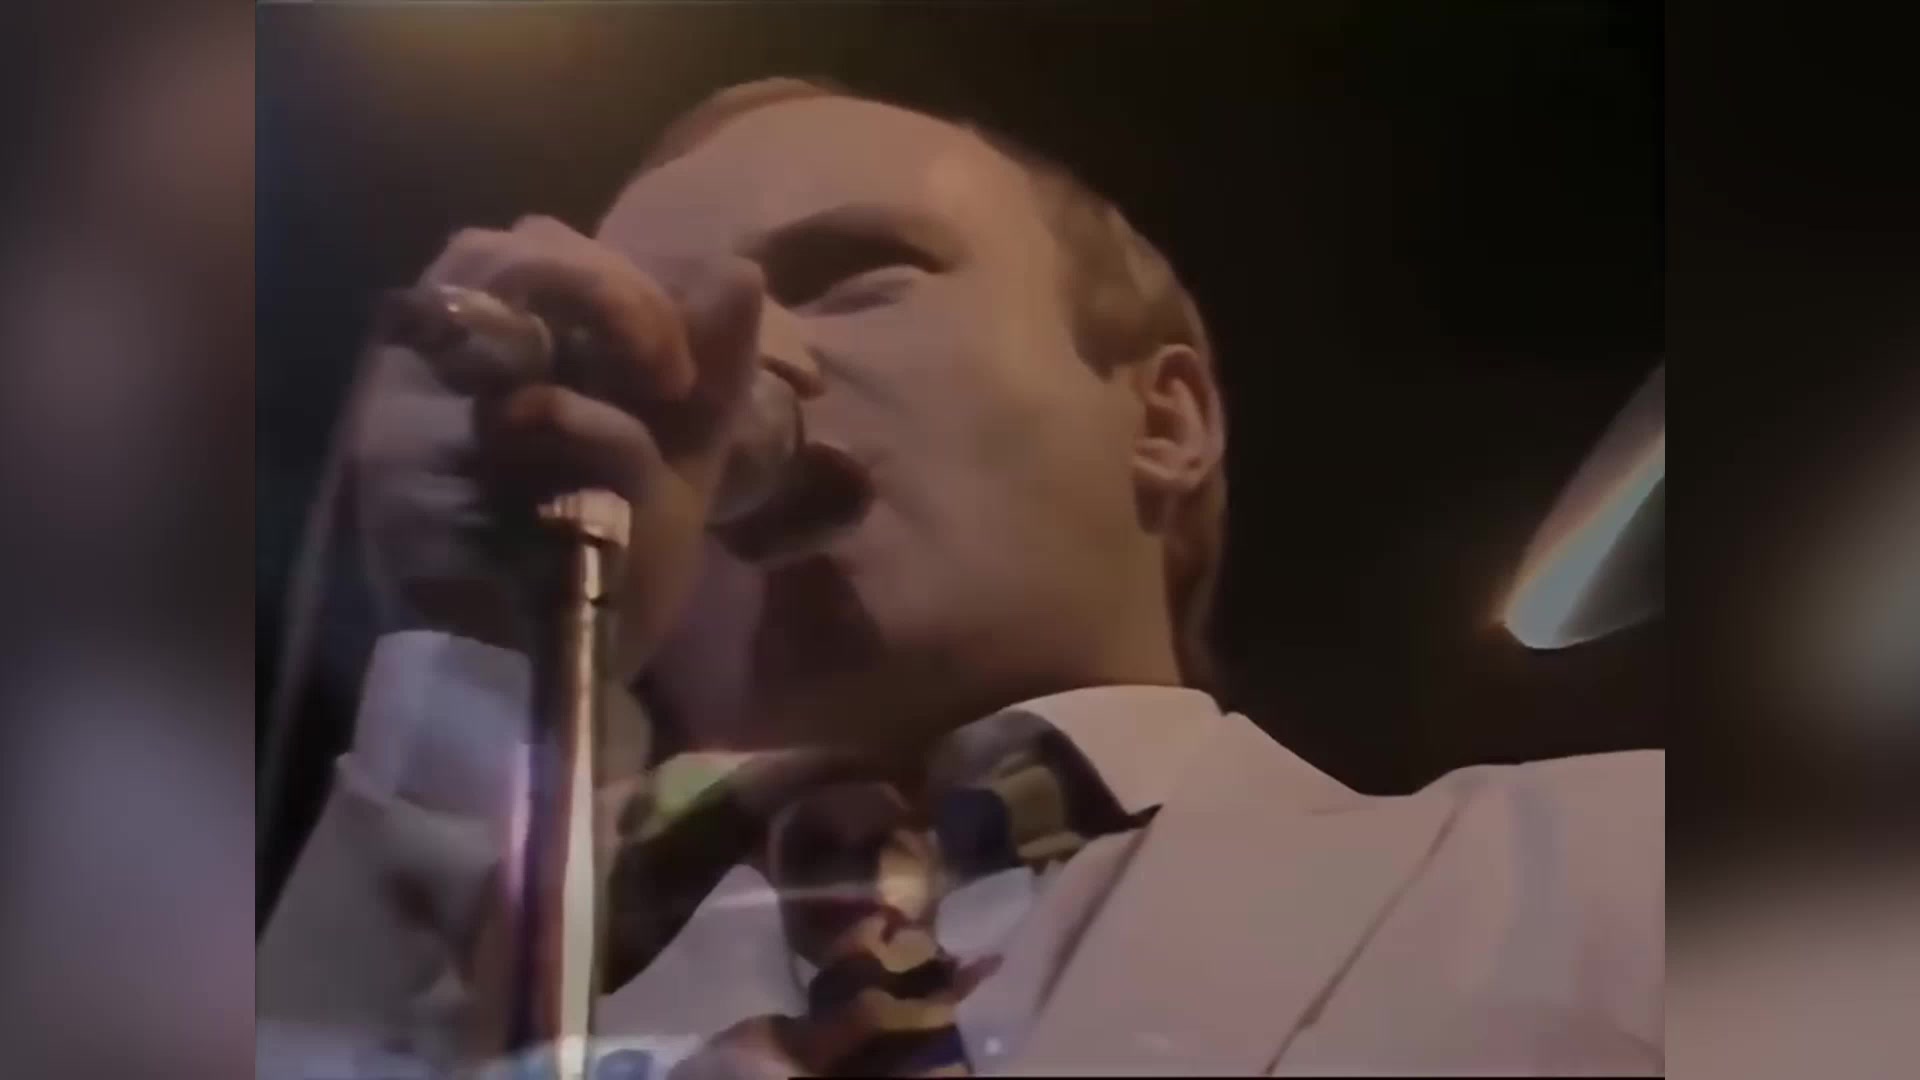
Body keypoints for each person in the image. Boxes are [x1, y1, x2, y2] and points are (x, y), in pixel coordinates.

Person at [258, 77, 1663, 1077]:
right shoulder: (464, 985)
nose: (739, 366)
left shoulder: (1620, 860)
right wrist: (481, 658)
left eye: (855, 276)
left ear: (1166, 419)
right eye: (662, 330)